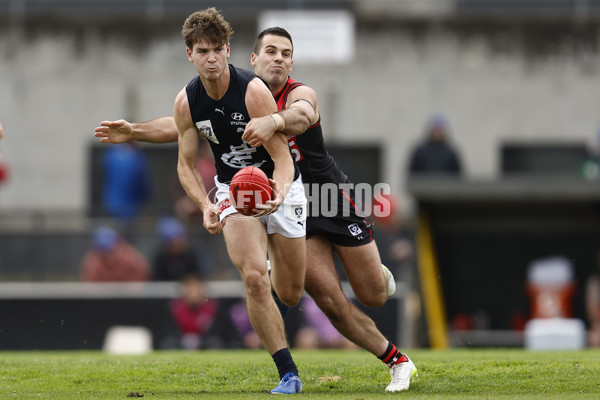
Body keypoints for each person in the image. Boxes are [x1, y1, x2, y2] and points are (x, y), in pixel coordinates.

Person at [94, 26, 417, 392]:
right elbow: (186, 123)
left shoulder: (299, 92)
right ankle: (390, 362)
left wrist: (273, 121)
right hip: (277, 195)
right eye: (271, 52)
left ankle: (369, 268)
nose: (278, 58)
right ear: (252, 57)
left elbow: (303, 115)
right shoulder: (235, 91)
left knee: (373, 293)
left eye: (285, 53)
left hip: (324, 193)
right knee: (322, 298)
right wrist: (135, 129)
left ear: (291, 62)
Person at [125, 9, 306, 394]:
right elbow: (185, 166)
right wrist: (207, 205)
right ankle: (288, 374)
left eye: (216, 50)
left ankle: (276, 282)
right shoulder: (187, 102)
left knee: (290, 291)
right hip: (232, 191)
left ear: (228, 50)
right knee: (255, 278)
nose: (210, 58)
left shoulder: (253, 91)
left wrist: (280, 194)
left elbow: (283, 158)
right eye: (201, 50)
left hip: (276, 186)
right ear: (189, 53)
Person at [101, 140, 152, 226]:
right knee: (128, 235)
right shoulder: (138, 159)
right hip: (130, 208)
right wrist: (147, 200)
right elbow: (142, 185)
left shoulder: (111, 154)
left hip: (110, 204)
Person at [81, 225, 151, 282]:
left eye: (109, 251)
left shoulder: (131, 259)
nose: (107, 255)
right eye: (103, 252)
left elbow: (141, 277)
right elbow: (90, 285)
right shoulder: (92, 264)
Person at [170, 273, 218, 350]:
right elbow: (172, 332)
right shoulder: (175, 307)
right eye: (190, 290)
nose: (193, 293)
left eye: (196, 289)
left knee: (214, 343)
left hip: (205, 341)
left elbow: (216, 331)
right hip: (180, 340)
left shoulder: (211, 306)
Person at [152, 216, 201, 281]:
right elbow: (157, 280)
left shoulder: (191, 256)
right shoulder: (160, 258)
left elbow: (196, 277)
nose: (179, 243)